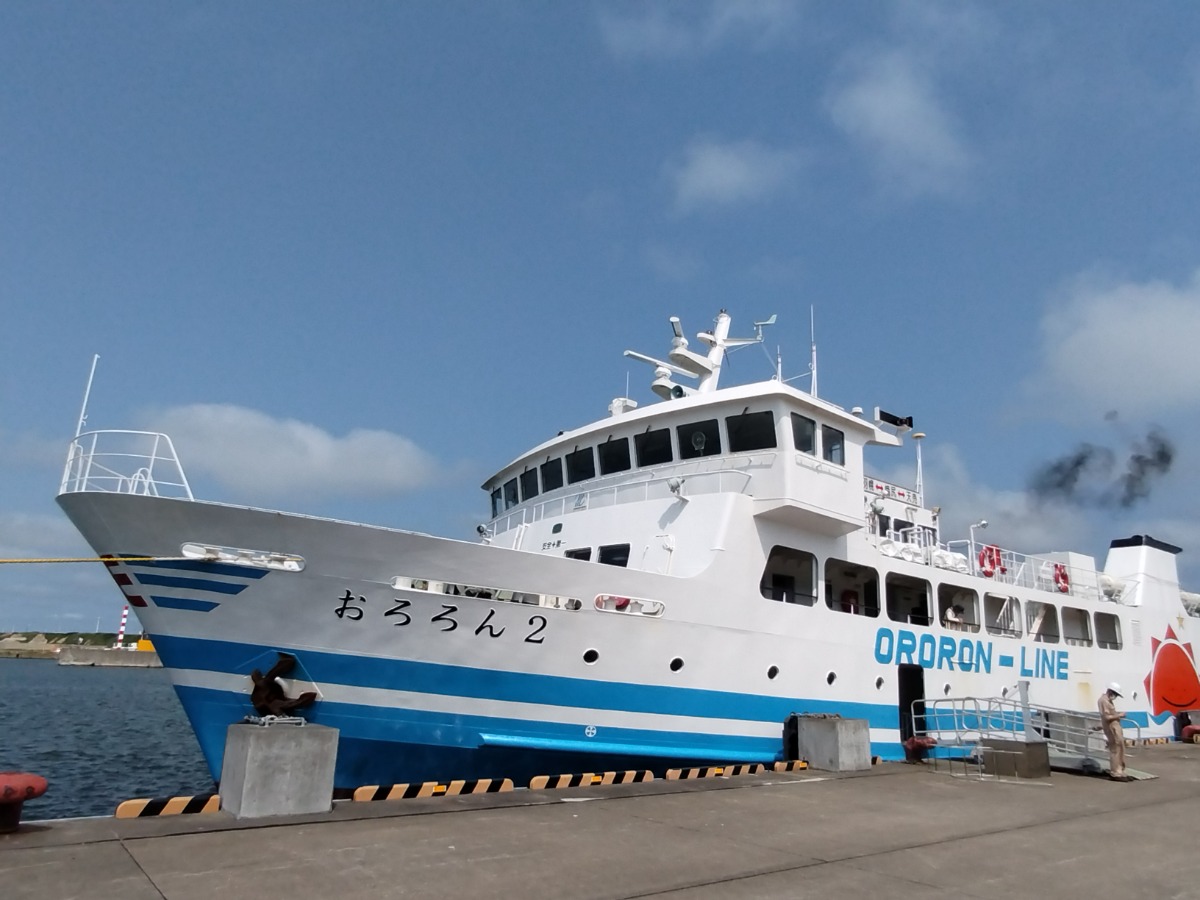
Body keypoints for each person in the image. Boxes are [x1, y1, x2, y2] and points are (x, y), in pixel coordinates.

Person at [1098, 682, 1128, 780]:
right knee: (1115, 749)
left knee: (1120, 748)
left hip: (1115, 726)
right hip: (1112, 727)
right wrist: (1119, 715)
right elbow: (1106, 717)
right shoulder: (1104, 701)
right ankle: (1115, 772)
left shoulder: (1108, 701)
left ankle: (1120, 769)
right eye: (1116, 694)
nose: (1116, 697)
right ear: (1110, 691)